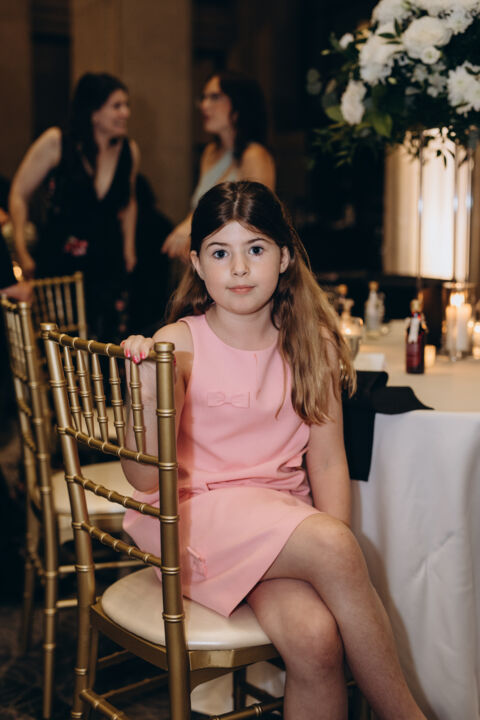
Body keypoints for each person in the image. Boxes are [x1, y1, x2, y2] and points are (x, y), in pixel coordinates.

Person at [120, 182, 427, 720]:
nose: (239, 268)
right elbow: (143, 480)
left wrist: (326, 556)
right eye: (220, 253)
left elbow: (326, 461)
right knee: (331, 548)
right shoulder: (179, 344)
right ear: (197, 264)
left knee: (315, 640)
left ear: (284, 257)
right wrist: (146, 390)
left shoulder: (312, 343)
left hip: (280, 527)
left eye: (256, 249)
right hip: (194, 521)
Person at [9, 72, 139, 341]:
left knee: (106, 341)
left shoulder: (129, 150)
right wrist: (21, 249)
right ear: (94, 112)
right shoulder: (57, 141)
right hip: (60, 260)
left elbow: (129, 202)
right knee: (61, 339)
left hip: (107, 260)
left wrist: (129, 248)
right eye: (117, 106)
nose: (125, 113)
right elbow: (19, 193)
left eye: (126, 105)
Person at [161, 71, 275, 260]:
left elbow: (257, 221)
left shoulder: (254, 155)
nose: (205, 105)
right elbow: (200, 209)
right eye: (203, 98)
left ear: (239, 103)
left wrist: (189, 226)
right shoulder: (210, 152)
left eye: (215, 97)